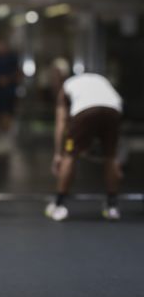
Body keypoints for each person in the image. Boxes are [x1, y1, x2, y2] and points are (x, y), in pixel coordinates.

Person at [46, 64, 123, 221]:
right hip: (114, 110)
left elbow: (61, 124)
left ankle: (59, 205)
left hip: (84, 111)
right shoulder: (98, 79)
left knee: (70, 155)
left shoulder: (66, 87)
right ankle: (112, 206)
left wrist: (58, 154)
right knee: (111, 157)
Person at [0, 36, 20, 154]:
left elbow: (18, 74)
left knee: (6, 116)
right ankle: (1, 141)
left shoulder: (12, 57)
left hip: (8, 93)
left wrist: (7, 79)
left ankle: (8, 142)